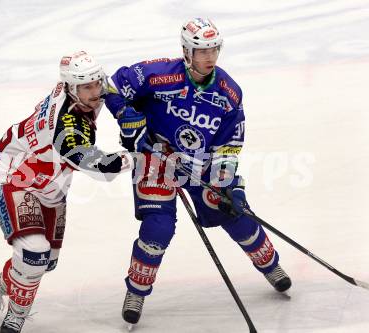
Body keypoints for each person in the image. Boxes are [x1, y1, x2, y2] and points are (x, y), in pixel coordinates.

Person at [104, 18, 292, 325]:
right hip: (157, 161)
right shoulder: (158, 75)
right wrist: (129, 118)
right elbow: (112, 87)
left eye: (213, 50)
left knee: (238, 216)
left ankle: (271, 266)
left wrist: (228, 182)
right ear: (186, 51)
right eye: (201, 51)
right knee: (158, 229)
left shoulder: (229, 92)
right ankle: (137, 289)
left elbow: (231, 143)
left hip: (202, 163)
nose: (209, 57)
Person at [0, 51, 131, 333]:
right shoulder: (66, 125)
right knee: (34, 254)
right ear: (71, 88)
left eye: (97, 83)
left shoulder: (77, 90)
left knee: (47, 263)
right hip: (13, 175)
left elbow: (121, 87)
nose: (96, 92)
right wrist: (137, 157)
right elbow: (97, 166)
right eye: (88, 87)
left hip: (51, 182)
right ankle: (16, 317)